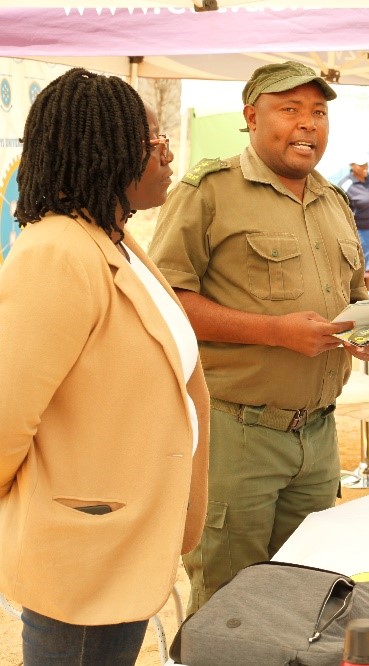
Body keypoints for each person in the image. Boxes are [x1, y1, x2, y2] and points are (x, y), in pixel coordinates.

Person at [148, 61, 369, 614]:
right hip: (238, 437)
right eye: (290, 110)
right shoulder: (209, 191)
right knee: (230, 608)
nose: (308, 125)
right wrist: (275, 333)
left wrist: (366, 335)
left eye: (319, 113)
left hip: (320, 439)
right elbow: (167, 303)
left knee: (304, 601)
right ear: (251, 117)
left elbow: (351, 301)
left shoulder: (333, 201)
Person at [0, 69, 209, 665]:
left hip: (124, 539)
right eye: (151, 140)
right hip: (85, 550)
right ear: (106, 149)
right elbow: (6, 414)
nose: (166, 152)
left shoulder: (113, 240)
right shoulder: (57, 253)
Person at [339, 152, 369, 292]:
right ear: (352, 166)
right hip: (357, 232)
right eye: (361, 164)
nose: (365, 166)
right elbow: (341, 212)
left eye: (366, 163)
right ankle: (361, 297)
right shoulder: (345, 185)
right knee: (360, 268)